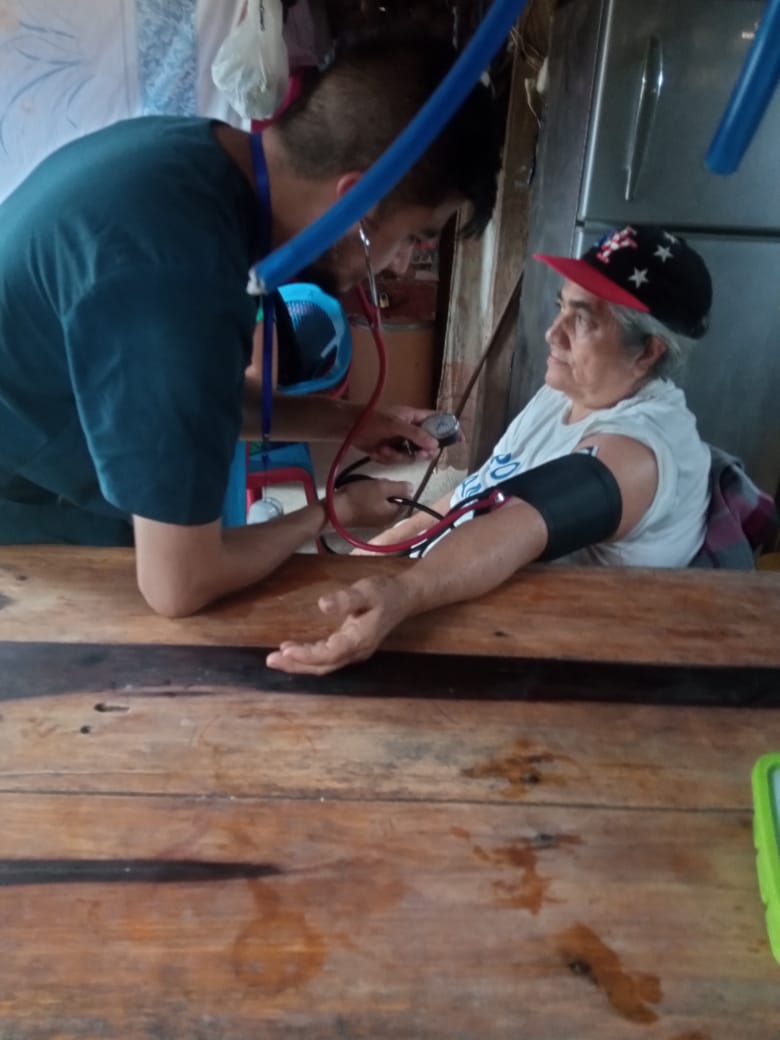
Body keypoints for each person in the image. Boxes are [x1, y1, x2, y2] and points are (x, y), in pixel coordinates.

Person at [0, 28, 501, 618]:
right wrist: (332, 512)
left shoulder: (194, 165)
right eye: (414, 237)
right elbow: (181, 582)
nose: (400, 265)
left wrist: (350, 423)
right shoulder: (177, 270)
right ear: (356, 204)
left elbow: (191, 403)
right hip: (27, 520)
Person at [267, 224, 714, 675]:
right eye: (561, 307)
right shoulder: (568, 392)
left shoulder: (639, 451)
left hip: (546, 655)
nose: (552, 334)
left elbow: (516, 524)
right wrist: (373, 554)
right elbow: (473, 495)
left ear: (647, 353)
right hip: (469, 600)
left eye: (582, 321)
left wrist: (403, 592)